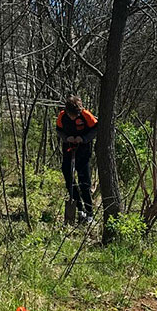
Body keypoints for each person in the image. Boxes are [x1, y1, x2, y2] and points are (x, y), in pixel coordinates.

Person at [56, 94, 98, 224]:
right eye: (71, 115)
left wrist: (84, 139)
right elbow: (58, 130)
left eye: (75, 115)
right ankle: (79, 208)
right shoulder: (62, 116)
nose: (72, 117)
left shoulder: (86, 115)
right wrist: (66, 138)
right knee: (69, 179)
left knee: (84, 183)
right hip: (68, 150)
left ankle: (89, 212)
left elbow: (96, 129)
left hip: (83, 152)